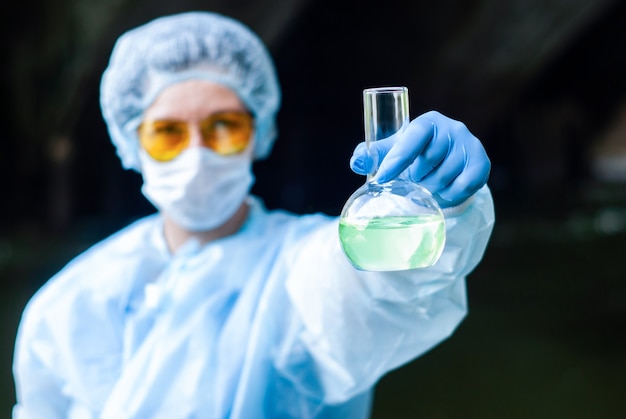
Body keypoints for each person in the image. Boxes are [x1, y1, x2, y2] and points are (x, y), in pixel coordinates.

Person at [12, 11, 495, 419]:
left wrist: (440, 205)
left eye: (225, 126)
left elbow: (377, 291)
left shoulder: (301, 263)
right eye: (168, 132)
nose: (198, 151)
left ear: (259, 131)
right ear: (131, 143)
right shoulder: (66, 307)